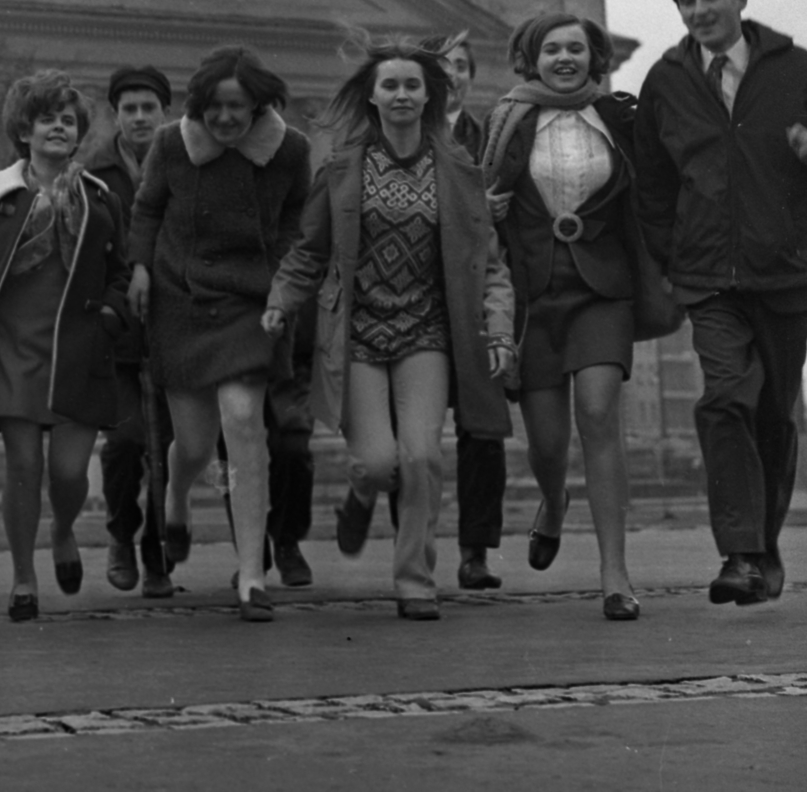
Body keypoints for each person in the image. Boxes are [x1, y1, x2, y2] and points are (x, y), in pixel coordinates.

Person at [634, 0, 807, 605]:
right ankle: (739, 554)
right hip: (708, 278)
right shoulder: (667, 80)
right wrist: (671, 257)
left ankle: (763, 552)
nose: (699, 10)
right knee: (726, 397)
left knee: (773, 415)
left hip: (786, 274)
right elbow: (651, 182)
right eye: (686, 1)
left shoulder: (795, 68)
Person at [265, 42, 514, 621]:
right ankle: (359, 497)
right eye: (390, 85)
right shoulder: (343, 167)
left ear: (431, 95)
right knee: (377, 463)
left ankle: (414, 580)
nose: (402, 95)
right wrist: (281, 301)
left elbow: (490, 265)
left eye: (412, 85)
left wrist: (498, 330)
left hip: (426, 331)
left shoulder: (457, 170)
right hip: (356, 333)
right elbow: (310, 251)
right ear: (372, 96)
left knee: (423, 454)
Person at [128, 46, 312, 622]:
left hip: (253, 302)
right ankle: (177, 496)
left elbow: (294, 226)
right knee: (198, 445)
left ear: (258, 105)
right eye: (215, 109)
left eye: (238, 108)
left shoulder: (290, 150)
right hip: (180, 300)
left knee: (243, 421)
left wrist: (282, 290)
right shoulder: (169, 145)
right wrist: (138, 268)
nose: (226, 120)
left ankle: (252, 576)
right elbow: (147, 211)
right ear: (199, 106)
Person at [480, 14, 646, 621]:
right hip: (532, 297)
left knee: (599, 415)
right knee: (547, 445)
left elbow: (651, 190)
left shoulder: (619, 116)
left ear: (593, 56)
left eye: (576, 47)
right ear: (532, 58)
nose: (565, 57)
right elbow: (479, 199)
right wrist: (486, 205)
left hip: (603, 290)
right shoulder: (509, 119)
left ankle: (614, 574)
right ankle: (554, 501)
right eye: (552, 49)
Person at [0, 70, 129, 622]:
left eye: (69, 119)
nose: (59, 126)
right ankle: (23, 577)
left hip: (79, 348)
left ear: (79, 133)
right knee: (24, 466)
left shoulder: (101, 199)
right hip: (14, 348)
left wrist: (110, 313)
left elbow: (120, 274)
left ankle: (64, 528)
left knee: (70, 473)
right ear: (24, 130)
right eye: (46, 117)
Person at [84, 64, 177, 599]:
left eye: (149, 107)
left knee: (167, 451)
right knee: (123, 445)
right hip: (116, 335)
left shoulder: (184, 165)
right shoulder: (93, 174)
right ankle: (121, 535)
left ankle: (158, 557)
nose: (140, 117)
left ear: (166, 112)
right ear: (114, 114)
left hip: (174, 331)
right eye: (129, 108)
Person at [419, 31, 506, 592]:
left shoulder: (491, 137)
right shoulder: (402, 137)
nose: (455, 76)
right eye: (443, 67)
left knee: (483, 428)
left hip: (475, 295)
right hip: (417, 297)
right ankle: (415, 545)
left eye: (462, 66)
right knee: (415, 434)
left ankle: (475, 551)